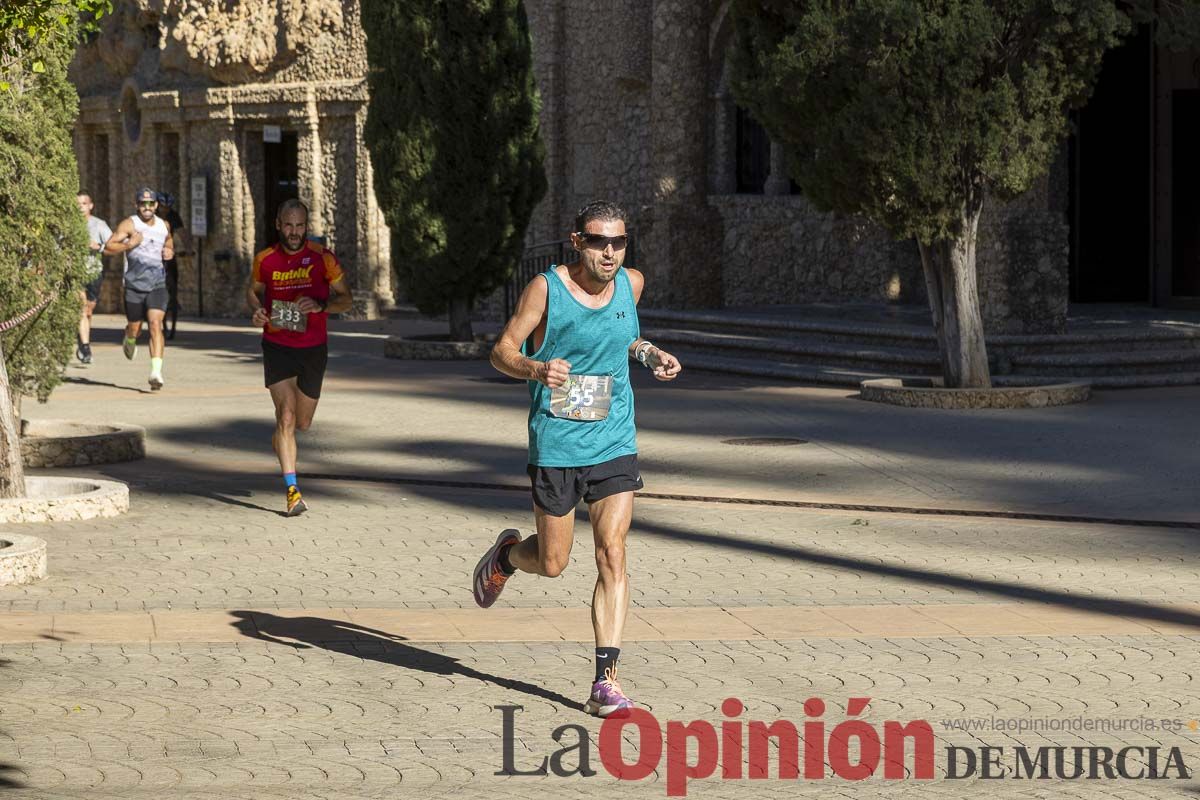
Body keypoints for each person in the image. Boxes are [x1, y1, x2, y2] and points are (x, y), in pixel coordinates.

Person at [473, 200, 682, 718]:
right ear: (576, 242)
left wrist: (650, 354)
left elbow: (627, 337)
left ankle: (605, 682)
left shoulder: (632, 284)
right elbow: (501, 350)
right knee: (552, 562)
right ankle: (505, 557)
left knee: (613, 553)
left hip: (614, 439)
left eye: (618, 242)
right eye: (598, 241)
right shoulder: (546, 289)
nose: (609, 252)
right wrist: (535, 370)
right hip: (558, 443)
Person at [246, 199, 353, 516]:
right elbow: (252, 291)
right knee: (287, 416)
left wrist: (321, 306)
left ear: (307, 226)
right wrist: (256, 310)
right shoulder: (265, 259)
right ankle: (292, 491)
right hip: (277, 345)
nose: (294, 232)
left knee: (302, 423)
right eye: (288, 225)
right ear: (278, 224)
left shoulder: (323, 258)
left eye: (300, 226)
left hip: (313, 348)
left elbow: (346, 299)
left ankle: (282, 440)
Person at [104, 187, 173, 390]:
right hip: (134, 285)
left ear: (156, 205)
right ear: (137, 205)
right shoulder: (129, 224)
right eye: (143, 204)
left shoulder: (164, 225)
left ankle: (156, 372)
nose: (147, 207)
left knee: (155, 325)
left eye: (151, 203)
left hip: (157, 284)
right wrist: (129, 245)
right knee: (136, 327)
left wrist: (169, 250)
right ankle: (130, 337)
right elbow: (108, 248)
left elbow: (169, 242)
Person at [76, 192, 112, 364]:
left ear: (90, 205)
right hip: (75, 273)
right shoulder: (69, 224)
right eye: (78, 203)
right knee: (82, 307)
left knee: (89, 310)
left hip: (94, 271)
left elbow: (113, 245)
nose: (80, 206)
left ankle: (82, 336)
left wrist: (97, 246)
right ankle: (85, 346)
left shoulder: (99, 224)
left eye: (84, 203)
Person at [156, 192, 186, 340]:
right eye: (162, 207)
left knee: (173, 283)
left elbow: (182, 233)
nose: (165, 210)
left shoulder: (173, 216)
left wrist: (189, 249)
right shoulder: (152, 217)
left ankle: (173, 302)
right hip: (154, 255)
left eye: (168, 208)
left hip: (168, 255)